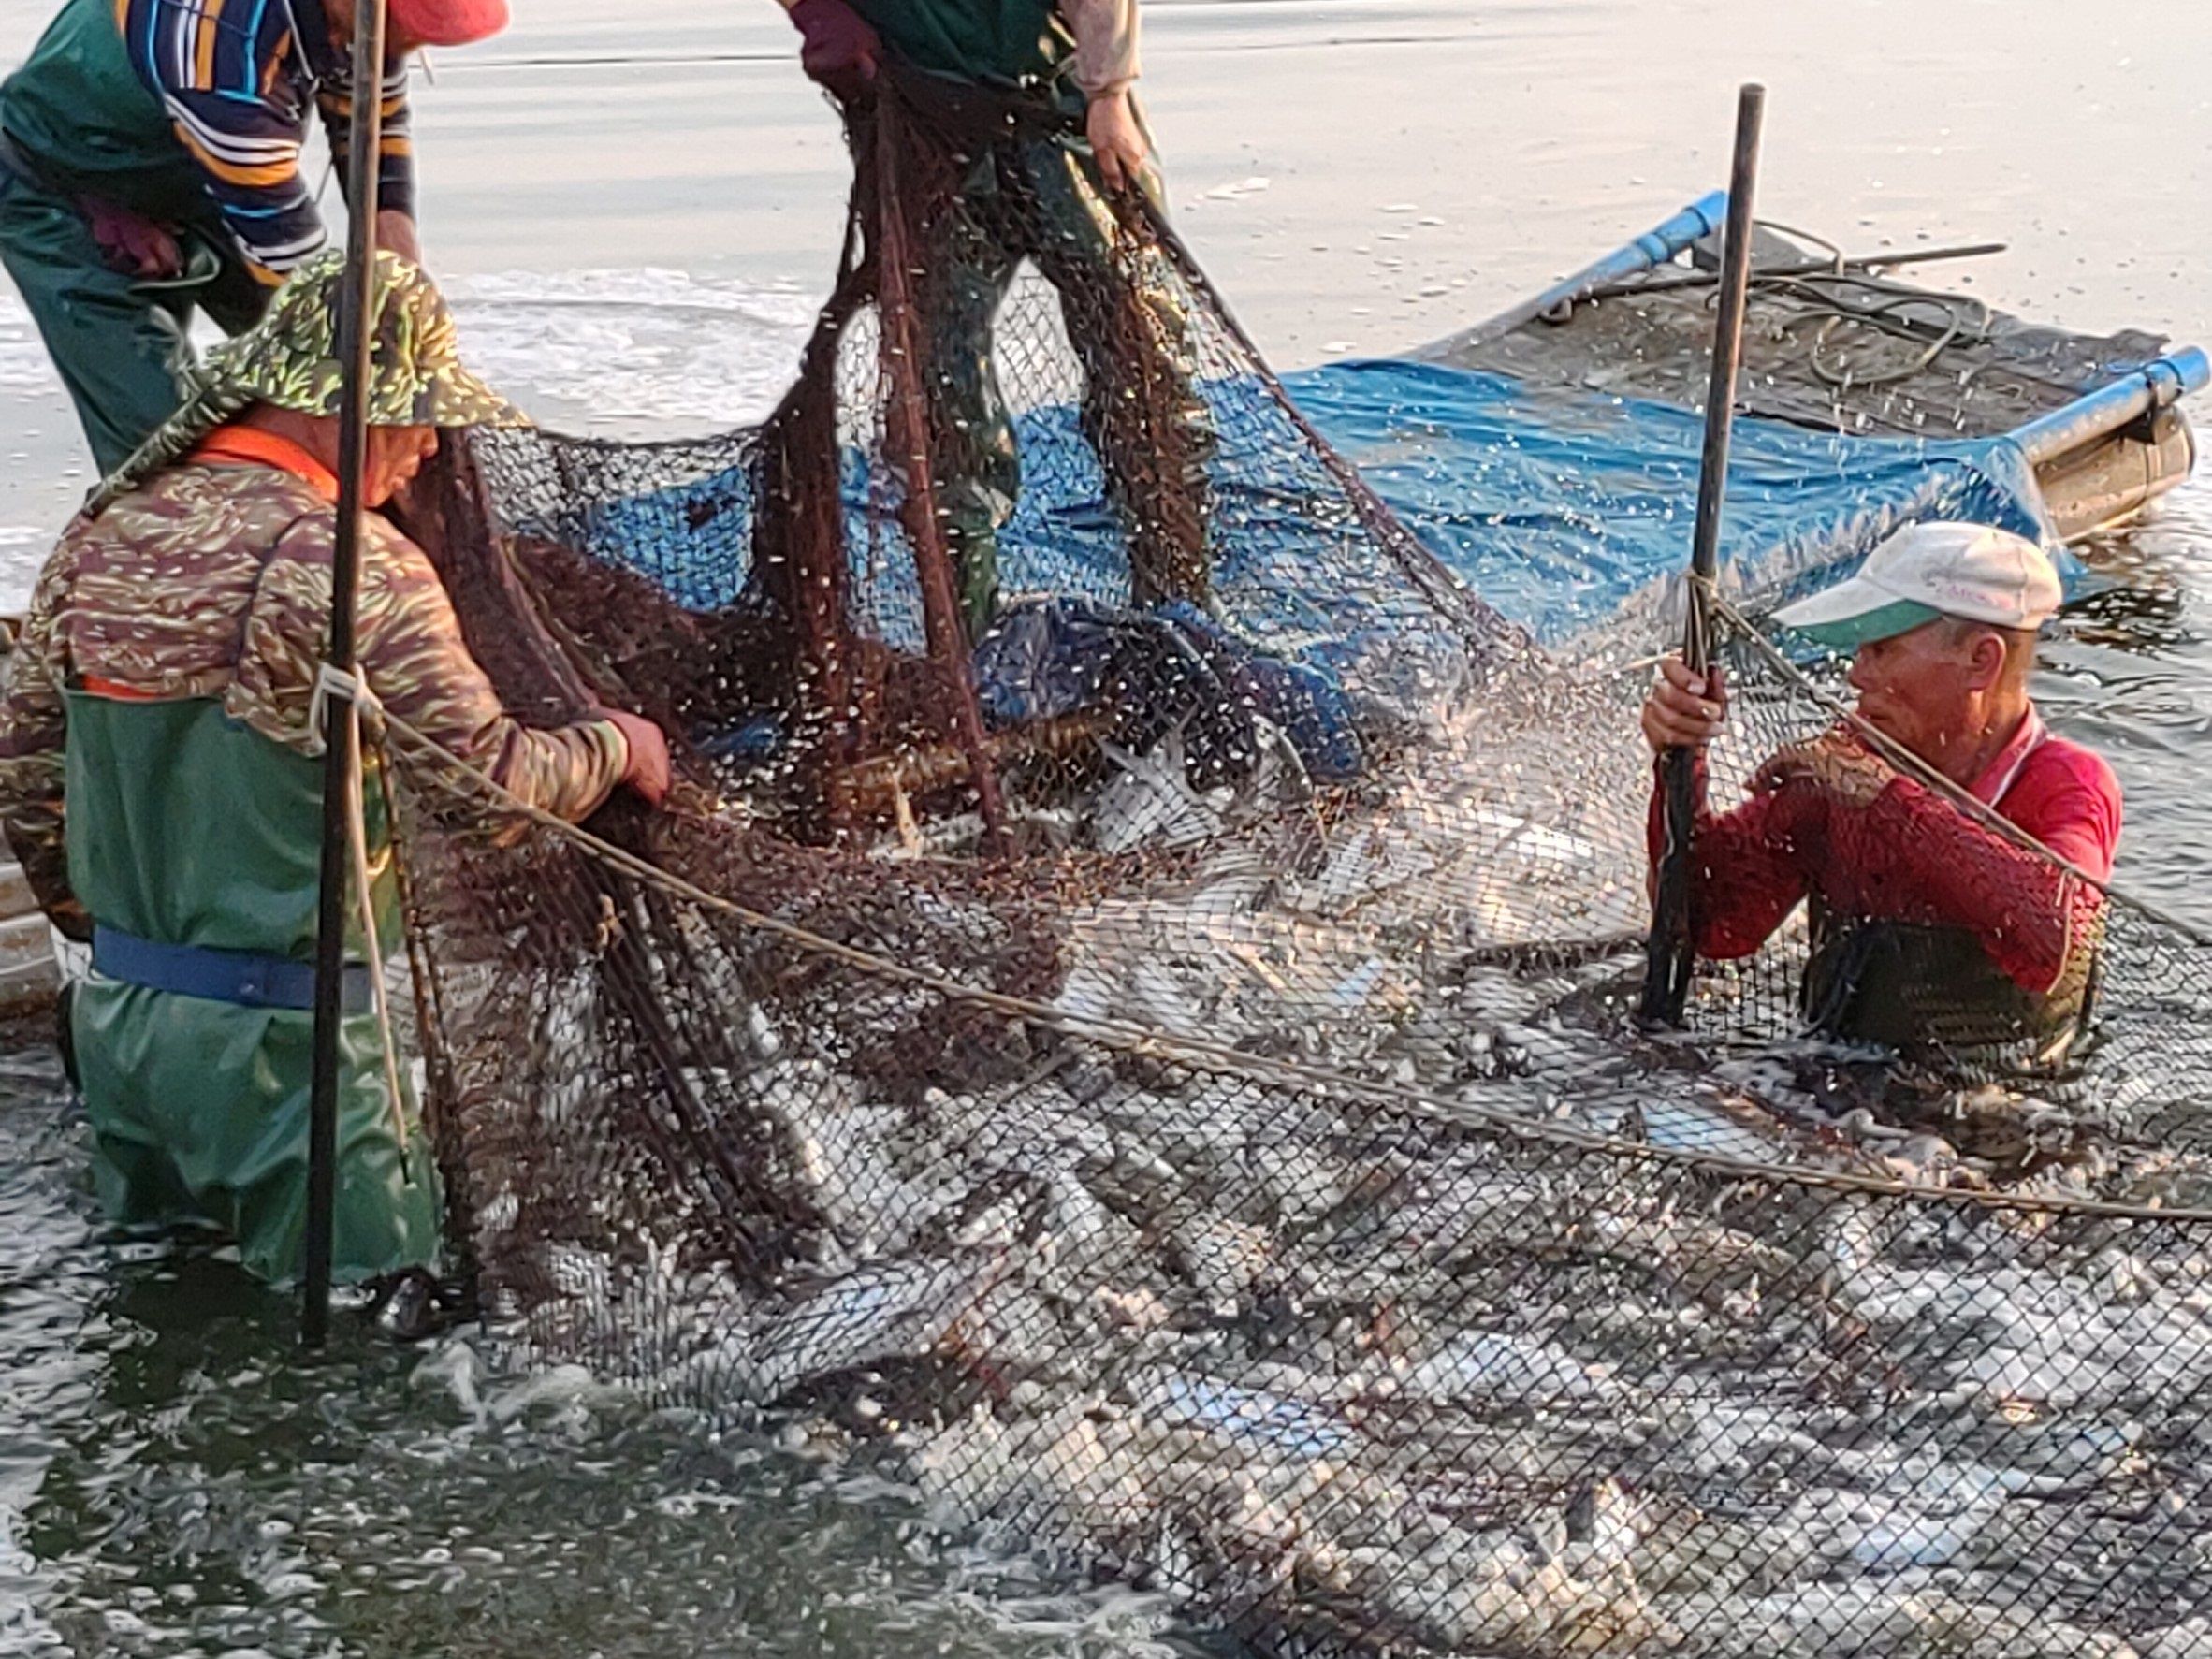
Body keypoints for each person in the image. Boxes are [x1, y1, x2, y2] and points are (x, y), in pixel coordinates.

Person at [0, 250, 672, 1288]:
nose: (432, 441)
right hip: (293, 1063)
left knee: (162, 1311)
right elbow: (489, 792)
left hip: (123, 1041)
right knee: (375, 1346)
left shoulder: (102, 532)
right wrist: (615, 747)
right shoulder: (350, 562)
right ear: (336, 406)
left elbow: (26, 775)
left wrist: (117, 938)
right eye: (416, 412)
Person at [776, 0, 1211, 636]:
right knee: (941, 395)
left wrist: (1109, 91)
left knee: (1143, 362)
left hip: (1061, 111)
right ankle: (964, 635)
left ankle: (1180, 607)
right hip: (922, 124)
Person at [1641, 520, 2121, 1058]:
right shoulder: (1846, 766)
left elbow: (2051, 938)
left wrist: (1888, 801)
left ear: (1980, 661)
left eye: (1882, 651)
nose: (1855, 677)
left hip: (2012, 1106)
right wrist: (1683, 759)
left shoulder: (2068, 783)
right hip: (1837, 1081)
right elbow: (1713, 922)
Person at [0, 0, 509, 475]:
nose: (411, 47)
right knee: (167, 449)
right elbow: (295, 280)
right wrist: (366, 386)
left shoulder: (359, 26)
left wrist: (404, 305)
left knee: (365, 364)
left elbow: (374, 122)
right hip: (57, 181)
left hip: (195, 163)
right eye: (408, 29)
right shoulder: (224, 62)